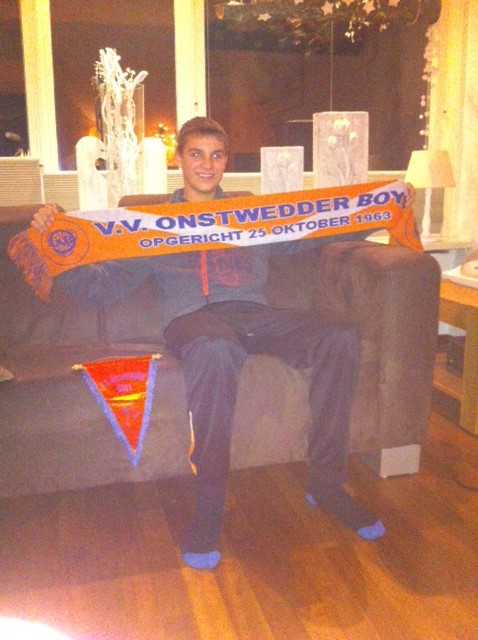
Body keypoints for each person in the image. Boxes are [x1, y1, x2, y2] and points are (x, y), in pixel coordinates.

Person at [33, 117, 413, 570]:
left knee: (339, 339)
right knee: (214, 348)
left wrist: (379, 207)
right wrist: (53, 243)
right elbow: (101, 287)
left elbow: (317, 226)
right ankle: (210, 503)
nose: (206, 164)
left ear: (226, 161)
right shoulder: (150, 225)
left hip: (253, 314)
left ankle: (327, 484)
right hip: (192, 322)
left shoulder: (253, 215)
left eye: (216, 155)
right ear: (179, 159)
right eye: (196, 154)